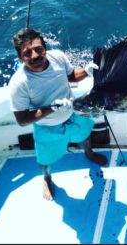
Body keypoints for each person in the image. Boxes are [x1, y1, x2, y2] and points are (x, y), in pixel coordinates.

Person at [9, 28, 108, 201]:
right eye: (27, 53)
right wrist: (51, 108)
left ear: (45, 48)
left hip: (73, 114)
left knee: (85, 135)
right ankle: (47, 178)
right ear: (20, 57)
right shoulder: (18, 83)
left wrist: (86, 71)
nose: (34, 56)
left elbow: (71, 76)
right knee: (45, 160)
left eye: (38, 49)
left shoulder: (58, 57)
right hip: (47, 128)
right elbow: (22, 119)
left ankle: (89, 153)